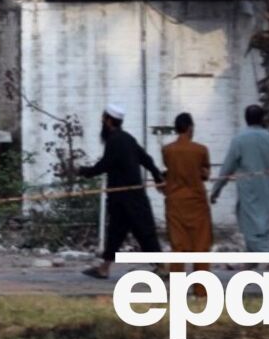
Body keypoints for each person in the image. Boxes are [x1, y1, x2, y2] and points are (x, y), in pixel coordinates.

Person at [77, 104, 164, 279]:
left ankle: (162, 266)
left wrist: (83, 171)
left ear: (109, 121)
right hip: (128, 197)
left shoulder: (114, 141)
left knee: (142, 231)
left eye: (103, 119)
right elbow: (146, 159)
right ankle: (104, 268)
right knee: (117, 233)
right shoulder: (128, 139)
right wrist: (156, 176)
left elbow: (104, 165)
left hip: (125, 197)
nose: (102, 122)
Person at [211, 104, 269, 273]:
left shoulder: (239, 140)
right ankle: (251, 262)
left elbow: (227, 169)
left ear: (246, 119)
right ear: (262, 119)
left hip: (249, 193)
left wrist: (216, 190)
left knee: (253, 231)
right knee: (261, 229)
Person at [161, 112, 212, 272]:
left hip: (175, 202)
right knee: (201, 245)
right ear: (190, 128)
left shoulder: (167, 150)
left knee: (178, 246)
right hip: (196, 203)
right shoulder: (201, 150)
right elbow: (205, 174)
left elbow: (169, 171)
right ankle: (201, 285)